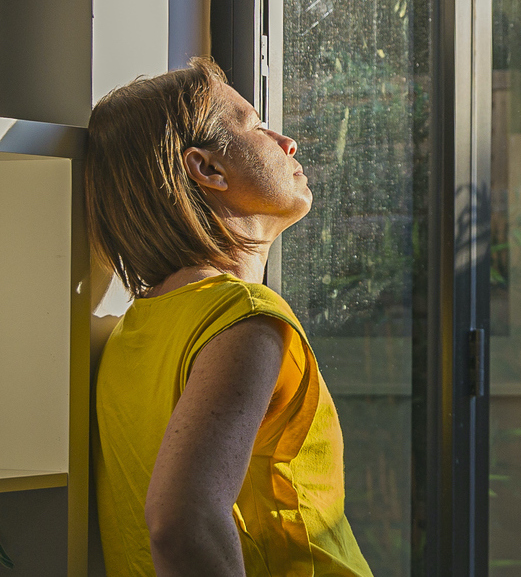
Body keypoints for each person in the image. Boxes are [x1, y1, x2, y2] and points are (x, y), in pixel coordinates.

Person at [86, 57, 374, 577]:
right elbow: (181, 522)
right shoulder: (244, 318)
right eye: (257, 125)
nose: (287, 141)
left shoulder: (137, 327)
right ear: (208, 169)